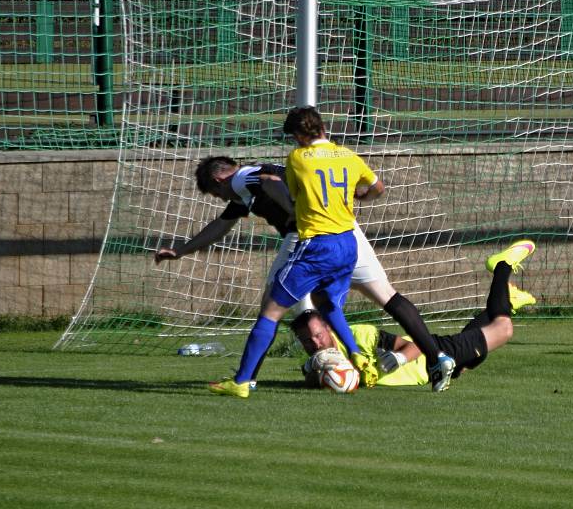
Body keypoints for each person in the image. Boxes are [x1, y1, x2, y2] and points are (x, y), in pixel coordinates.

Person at [155, 154, 454, 391]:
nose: (222, 199)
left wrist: (294, 210)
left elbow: (271, 183)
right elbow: (221, 225)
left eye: (216, 193)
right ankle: (434, 357)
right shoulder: (252, 186)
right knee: (374, 296)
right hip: (346, 231)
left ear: (220, 178)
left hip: (308, 235)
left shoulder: (242, 179)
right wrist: (182, 249)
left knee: (270, 308)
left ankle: (246, 380)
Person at [292, 240, 537, 388]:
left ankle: (502, 266)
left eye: (317, 335)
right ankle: (509, 298)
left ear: (327, 327)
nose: (315, 343)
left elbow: (414, 346)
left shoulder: (358, 335)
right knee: (472, 358)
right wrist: (322, 373)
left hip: (436, 354)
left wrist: (399, 359)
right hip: (435, 374)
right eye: (307, 341)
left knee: (503, 329)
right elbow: (313, 381)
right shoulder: (316, 363)